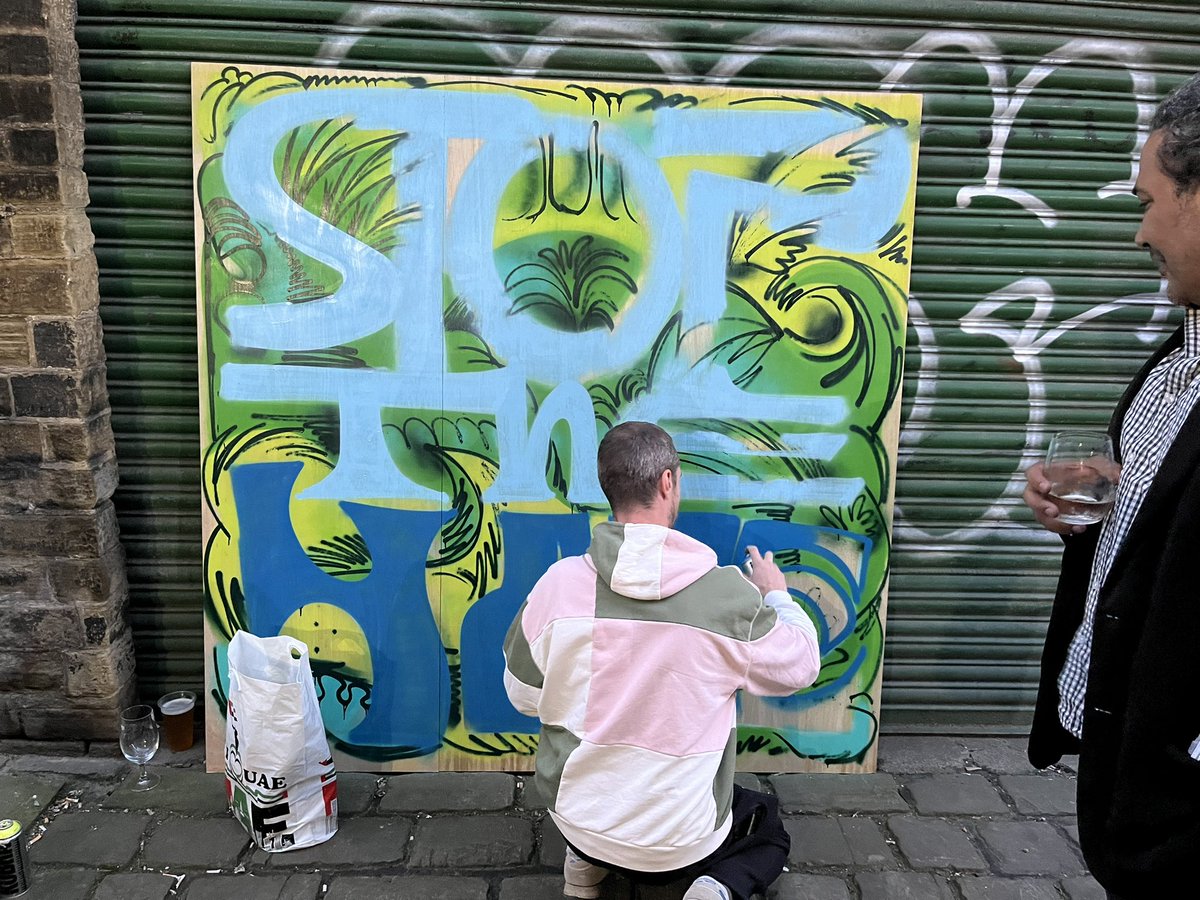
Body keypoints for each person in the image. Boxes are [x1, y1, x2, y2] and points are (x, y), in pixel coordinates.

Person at [503, 421, 822, 900]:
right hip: (680, 845)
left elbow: (523, 695)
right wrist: (777, 596)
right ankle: (713, 889)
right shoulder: (727, 597)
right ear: (668, 482)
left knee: (590, 801)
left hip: (578, 819)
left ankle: (585, 865)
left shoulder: (557, 585)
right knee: (766, 826)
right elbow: (800, 665)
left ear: (608, 486)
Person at [1023, 72, 1200, 898]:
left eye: (1151, 198)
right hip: (1126, 764)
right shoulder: (1181, 355)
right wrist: (1106, 502)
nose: (1140, 231)